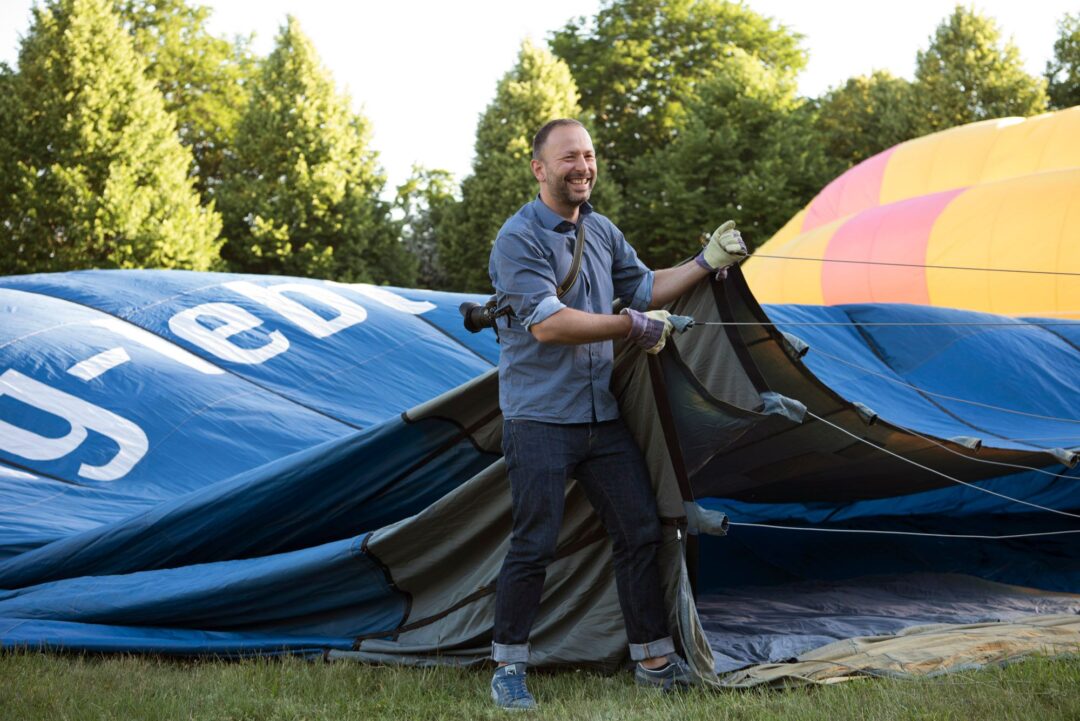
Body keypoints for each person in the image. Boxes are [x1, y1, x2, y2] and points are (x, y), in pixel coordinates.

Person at [487, 118, 745, 711]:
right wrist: (633, 326)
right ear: (539, 169)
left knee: (640, 530)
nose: (583, 167)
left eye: (588, 155)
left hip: (601, 417)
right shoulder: (517, 239)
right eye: (568, 158)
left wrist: (705, 261)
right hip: (538, 418)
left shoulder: (601, 230)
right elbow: (549, 325)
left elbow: (646, 287)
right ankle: (507, 667)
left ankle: (653, 662)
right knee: (534, 542)